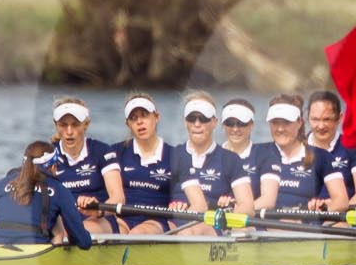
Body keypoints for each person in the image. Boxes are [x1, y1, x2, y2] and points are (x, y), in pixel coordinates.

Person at [0, 141, 93, 248]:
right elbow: (83, 242)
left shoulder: (1, 184)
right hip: (37, 257)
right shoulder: (59, 190)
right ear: (53, 166)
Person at [168, 90, 256, 233]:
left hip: (211, 226)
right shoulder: (172, 155)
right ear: (185, 122)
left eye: (203, 118)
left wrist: (227, 219)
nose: (197, 124)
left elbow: (247, 206)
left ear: (214, 122)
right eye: (191, 118)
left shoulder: (230, 160)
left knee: (193, 229)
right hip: (173, 223)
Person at [42, 95, 124, 235]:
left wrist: (99, 210)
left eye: (75, 124)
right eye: (63, 125)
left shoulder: (102, 151)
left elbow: (118, 197)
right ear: (56, 125)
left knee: (76, 231)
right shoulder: (47, 155)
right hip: (61, 220)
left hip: (98, 219)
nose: (69, 131)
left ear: (86, 124)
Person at [113, 92, 186, 234]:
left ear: (157, 117)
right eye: (133, 118)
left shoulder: (175, 155)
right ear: (128, 124)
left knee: (138, 234)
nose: (139, 122)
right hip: (122, 219)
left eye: (145, 115)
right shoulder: (115, 152)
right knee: (110, 232)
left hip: (157, 221)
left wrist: (179, 201)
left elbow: (183, 192)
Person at [254, 92, 323, 211]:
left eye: (286, 123)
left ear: (300, 122)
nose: (280, 129)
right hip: (261, 225)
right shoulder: (255, 153)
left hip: (304, 225)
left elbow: (339, 201)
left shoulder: (321, 157)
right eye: (275, 122)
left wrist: (323, 204)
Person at [304, 89, 356, 212]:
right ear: (307, 116)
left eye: (327, 119)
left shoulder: (353, 147)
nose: (320, 126)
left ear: (339, 118)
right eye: (315, 119)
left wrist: (334, 208)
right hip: (302, 215)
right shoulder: (296, 148)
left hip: (340, 219)